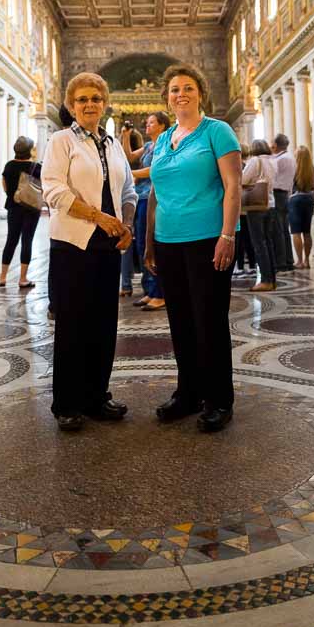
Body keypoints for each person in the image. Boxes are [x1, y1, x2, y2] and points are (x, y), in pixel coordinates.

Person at [145, 64, 241, 433]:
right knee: (181, 322)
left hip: (207, 239)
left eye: (187, 88)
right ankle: (188, 393)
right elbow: (155, 193)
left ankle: (219, 399)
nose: (180, 94)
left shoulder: (217, 131)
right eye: (173, 89)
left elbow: (233, 185)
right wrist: (150, 242)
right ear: (166, 98)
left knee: (209, 321)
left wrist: (227, 235)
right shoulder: (163, 139)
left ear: (200, 92)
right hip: (169, 242)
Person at [42, 72, 137, 431]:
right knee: (72, 324)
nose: (89, 105)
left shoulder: (112, 144)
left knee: (103, 324)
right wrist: (99, 218)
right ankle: (66, 402)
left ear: (104, 103)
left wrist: (125, 224)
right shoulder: (60, 141)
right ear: (71, 105)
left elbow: (128, 189)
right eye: (82, 99)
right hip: (73, 243)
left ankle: (97, 396)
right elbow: (53, 190)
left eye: (95, 98)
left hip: (108, 244)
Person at [124, 111, 169, 310]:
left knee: (152, 243)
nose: (147, 125)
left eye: (151, 122)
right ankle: (149, 290)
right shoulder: (150, 145)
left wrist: (129, 174)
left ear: (162, 125)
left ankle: (160, 292)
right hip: (141, 195)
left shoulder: (164, 144)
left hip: (154, 196)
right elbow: (129, 156)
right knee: (142, 244)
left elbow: (154, 170)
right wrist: (126, 136)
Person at [0, 136, 41, 289]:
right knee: (27, 240)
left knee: (11, 240)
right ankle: (23, 278)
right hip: (31, 208)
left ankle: (2, 277)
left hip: (13, 206)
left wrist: (13, 195)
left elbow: (4, 185)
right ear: (29, 150)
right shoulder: (36, 167)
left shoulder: (9, 166)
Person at [47, 104, 73, 320]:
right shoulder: (61, 140)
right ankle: (59, 304)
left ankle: (55, 303)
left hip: (59, 220)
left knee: (57, 264)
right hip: (70, 216)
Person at [242, 139, 278, 292]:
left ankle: (265, 280)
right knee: (268, 242)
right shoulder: (272, 161)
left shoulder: (255, 160)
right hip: (270, 203)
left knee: (258, 244)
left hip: (256, 206)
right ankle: (272, 279)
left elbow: (243, 179)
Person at [118, 119, 144, 296]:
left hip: (124, 201)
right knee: (143, 242)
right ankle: (148, 283)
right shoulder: (144, 155)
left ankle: (126, 285)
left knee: (125, 242)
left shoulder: (119, 157)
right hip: (142, 199)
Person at [288, 146, 314, 269]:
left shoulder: (294, 169)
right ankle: (307, 261)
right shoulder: (312, 170)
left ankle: (299, 261)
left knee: (296, 232)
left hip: (295, 200)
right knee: (307, 232)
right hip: (309, 199)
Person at [271, 134, 296, 272]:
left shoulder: (279, 160)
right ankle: (288, 259)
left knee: (278, 229)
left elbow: (273, 177)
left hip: (277, 193)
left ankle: (280, 261)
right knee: (284, 229)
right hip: (285, 194)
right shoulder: (290, 157)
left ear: (275, 145)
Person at [234, 145, 257, 277]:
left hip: (240, 207)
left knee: (240, 240)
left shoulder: (238, 166)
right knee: (249, 239)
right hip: (249, 207)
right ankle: (253, 265)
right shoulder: (249, 165)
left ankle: (240, 266)